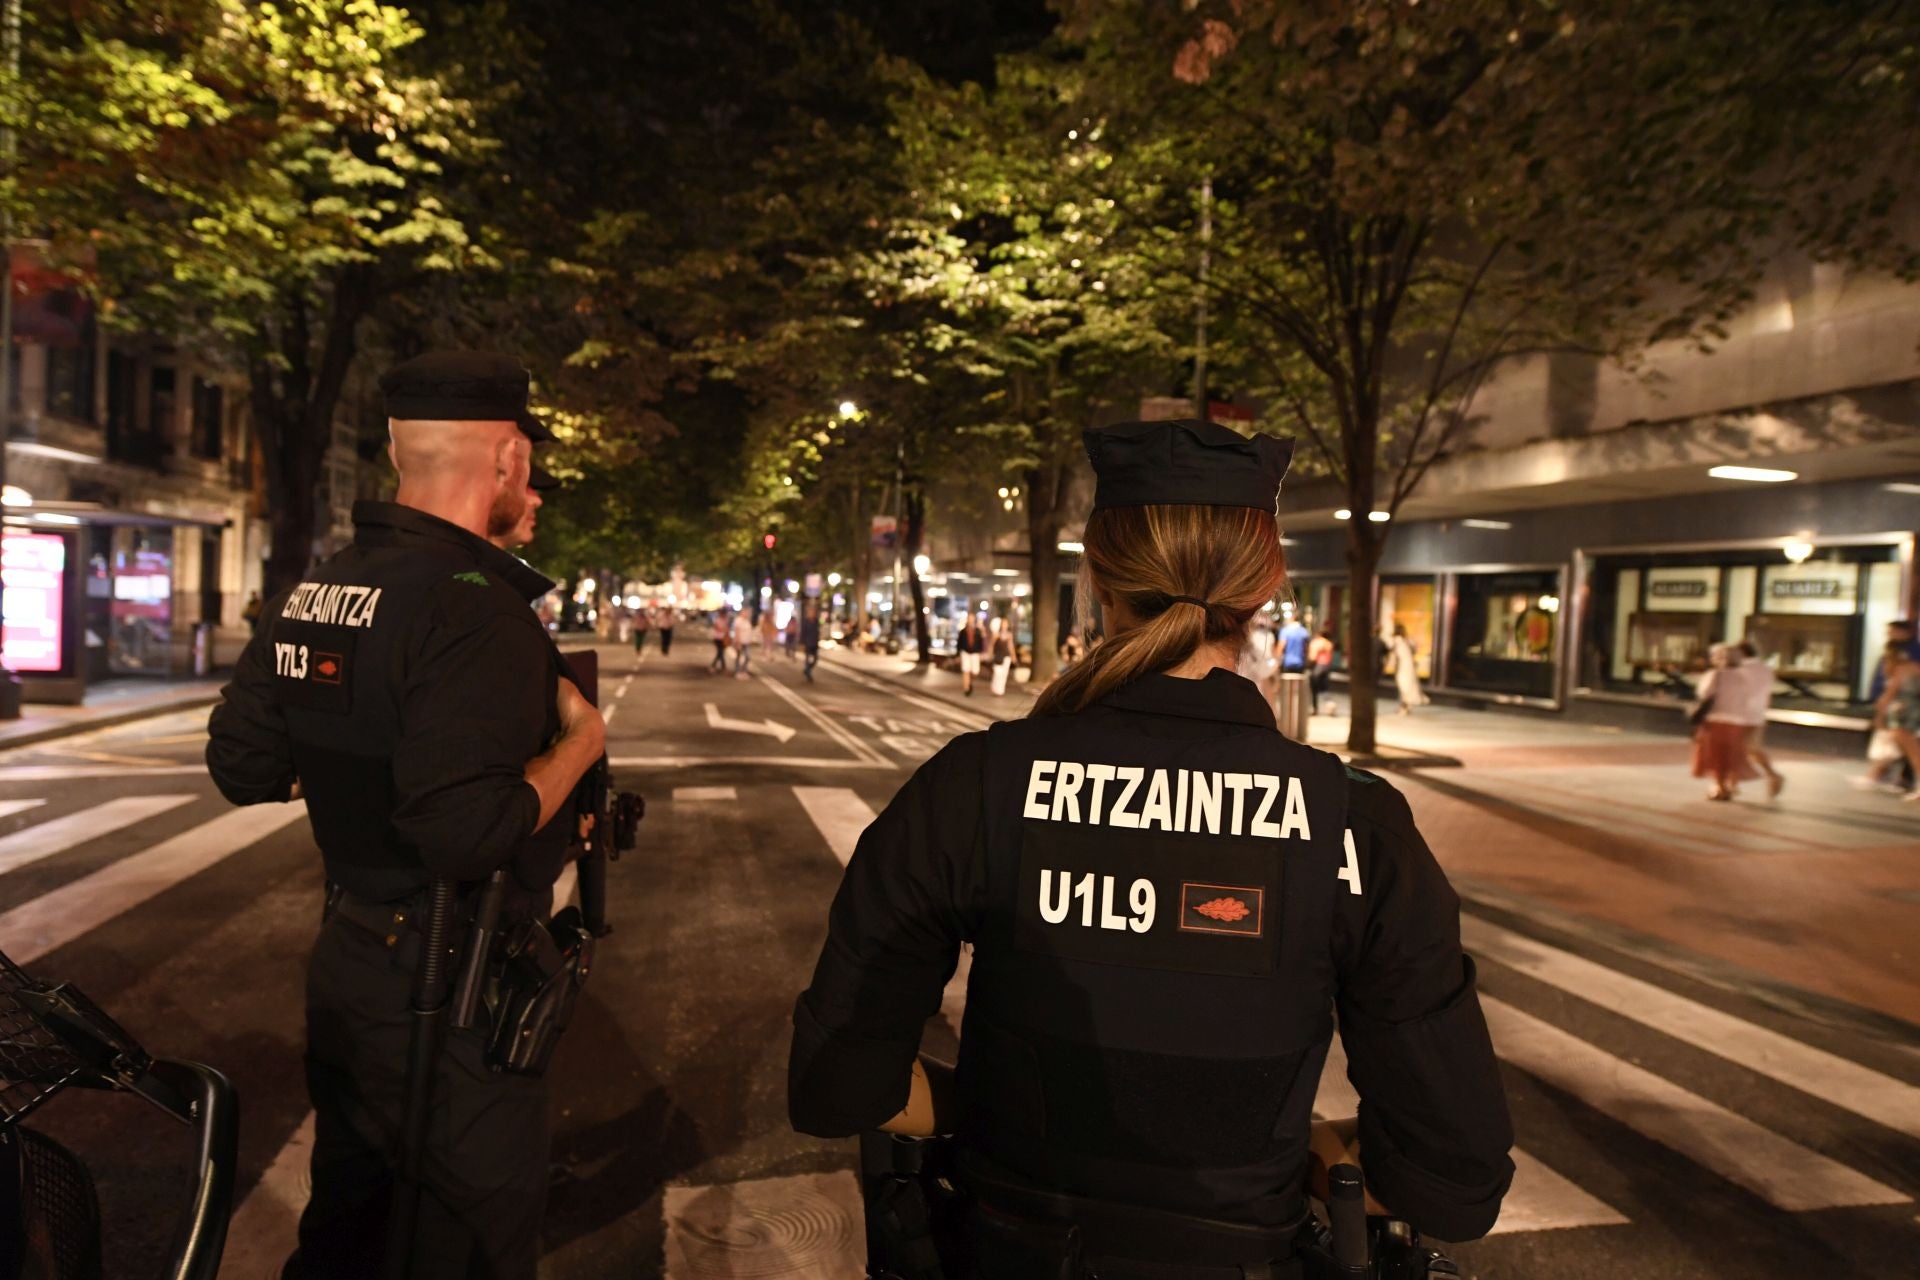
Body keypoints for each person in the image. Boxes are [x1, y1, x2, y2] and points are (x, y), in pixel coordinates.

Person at [789, 419, 1513, 1276]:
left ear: (1097, 576)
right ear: (1266, 586)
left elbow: (836, 1086)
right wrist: (1288, 1154)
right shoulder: (1356, 825)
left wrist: (998, 1110)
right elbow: (1452, 1182)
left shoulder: (975, 786)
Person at [206, 351, 607, 1280]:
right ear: (506, 459)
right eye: (527, 466)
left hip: (349, 958)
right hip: (450, 979)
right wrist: (580, 746)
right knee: (467, 1242)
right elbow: (466, 832)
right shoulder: (478, 609)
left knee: (351, 1219)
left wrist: (367, 770)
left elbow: (243, 764)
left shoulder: (320, 585)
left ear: (395, 450)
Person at [1690, 642, 1759, 801]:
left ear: (1721, 658)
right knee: (1731, 755)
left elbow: (1704, 694)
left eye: (1715, 656)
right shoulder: (1746, 677)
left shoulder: (1716, 674)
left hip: (1716, 720)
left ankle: (1720, 788)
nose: (1712, 658)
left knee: (1715, 755)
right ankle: (1730, 785)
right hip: (1737, 722)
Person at [1732, 640, 1785, 799]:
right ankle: (1733, 783)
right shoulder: (1766, 669)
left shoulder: (1741, 669)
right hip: (1758, 714)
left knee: (1741, 749)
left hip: (1741, 714)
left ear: (1741, 653)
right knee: (1749, 748)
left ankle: (1773, 776)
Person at [1872, 642, 1920, 802]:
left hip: (1903, 713)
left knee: (1913, 753)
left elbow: (1889, 695)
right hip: (1913, 711)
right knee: (1910, 751)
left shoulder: (1899, 670)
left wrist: (1879, 716)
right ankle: (1894, 779)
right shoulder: (1914, 667)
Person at [1389, 623, 1426, 714]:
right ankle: (1406, 707)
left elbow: (1395, 654)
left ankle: (1404, 707)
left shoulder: (1396, 640)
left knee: (1403, 687)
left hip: (1402, 666)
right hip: (1409, 666)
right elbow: (1414, 650)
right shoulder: (1407, 640)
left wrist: (1394, 666)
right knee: (1407, 686)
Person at [1308, 626, 1337, 715]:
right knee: (1325, 688)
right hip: (1327, 666)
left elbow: (1313, 656)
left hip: (1318, 666)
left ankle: (1314, 708)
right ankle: (1330, 706)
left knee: (1314, 689)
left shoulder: (1317, 642)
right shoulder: (1329, 643)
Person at [956, 612, 986, 696]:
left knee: (975, 671)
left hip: (975, 653)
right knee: (966, 670)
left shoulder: (978, 631)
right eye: (969, 618)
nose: (970, 620)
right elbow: (959, 643)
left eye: (972, 618)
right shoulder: (963, 631)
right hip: (965, 652)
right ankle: (966, 689)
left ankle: (969, 682)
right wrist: (958, 654)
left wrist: (981, 652)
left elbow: (982, 642)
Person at [987, 615, 1016, 697]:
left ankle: (1000, 691)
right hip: (998, 656)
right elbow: (991, 645)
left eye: (1006, 624)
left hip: (1006, 656)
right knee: (997, 673)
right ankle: (994, 688)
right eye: (1003, 624)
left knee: (1004, 674)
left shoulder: (1009, 635)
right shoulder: (996, 635)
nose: (1004, 625)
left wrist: (1013, 656)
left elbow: (1010, 646)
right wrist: (990, 654)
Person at [801, 600, 822, 683]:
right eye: (810, 612)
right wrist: (802, 643)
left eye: (813, 612)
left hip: (815, 643)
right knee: (808, 659)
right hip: (808, 643)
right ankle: (808, 673)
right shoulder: (805, 622)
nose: (812, 613)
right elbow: (803, 633)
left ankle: (807, 669)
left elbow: (818, 631)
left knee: (815, 659)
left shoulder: (816, 621)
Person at [734, 608, 756, 679]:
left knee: (747, 657)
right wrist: (738, 642)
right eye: (746, 613)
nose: (747, 614)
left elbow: (749, 631)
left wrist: (751, 639)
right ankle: (738, 671)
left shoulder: (747, 621)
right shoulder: (738, 620)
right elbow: (737, 632)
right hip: (740, 642)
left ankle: (743, 671)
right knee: (740, 656)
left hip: (746, 642)